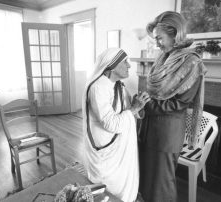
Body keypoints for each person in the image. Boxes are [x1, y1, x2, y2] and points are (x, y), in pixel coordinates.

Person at [138, 11, 207, 202]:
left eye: (159, 38)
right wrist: (144, 100)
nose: (157, 43)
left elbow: (181, 102)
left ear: (175, 34)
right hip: (149, 128)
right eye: (155, 39)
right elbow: (156, 91)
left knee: (162, 183)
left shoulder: (191, 62)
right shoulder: (164, 57)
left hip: (167, 132)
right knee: (147, 178)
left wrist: (147, 105)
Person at [82, 48, 150, 202]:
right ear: (112, 65)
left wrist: (137, 105)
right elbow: (111, 124)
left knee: (122, 184)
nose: (129, 66)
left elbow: (127, 111)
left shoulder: (118, 85)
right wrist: (134, 109)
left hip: (121, 146)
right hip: (107, 149)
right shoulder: (98, 87)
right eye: (125, 61)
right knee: (109, 188)